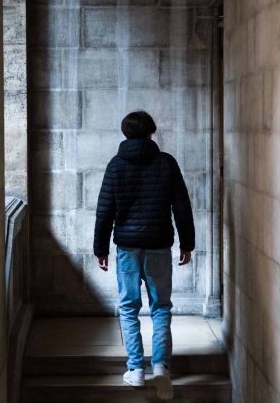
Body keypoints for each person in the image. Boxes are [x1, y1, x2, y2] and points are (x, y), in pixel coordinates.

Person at [93, 111, 195, 400]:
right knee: (161, 307)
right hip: (159, 244)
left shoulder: (116, 165)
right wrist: (187, 243)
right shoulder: (166, 163)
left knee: (128, 307)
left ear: (125, 133)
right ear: (151, 131)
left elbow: (105, 211)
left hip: (126, 246)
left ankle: (136, 368)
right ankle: (161, 366)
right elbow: (181, 207)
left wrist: (100, 249)